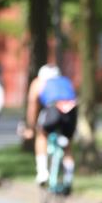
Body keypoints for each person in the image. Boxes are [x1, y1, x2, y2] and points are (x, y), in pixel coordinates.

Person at [24, 64, 77, 192]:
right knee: (67, 144)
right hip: (71, 111)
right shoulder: (66, 81)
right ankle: (68, 178)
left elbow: (32, 106)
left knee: (41, 134)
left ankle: (42, 173)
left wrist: (30, 127)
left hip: (53, 109)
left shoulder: (38, 82)